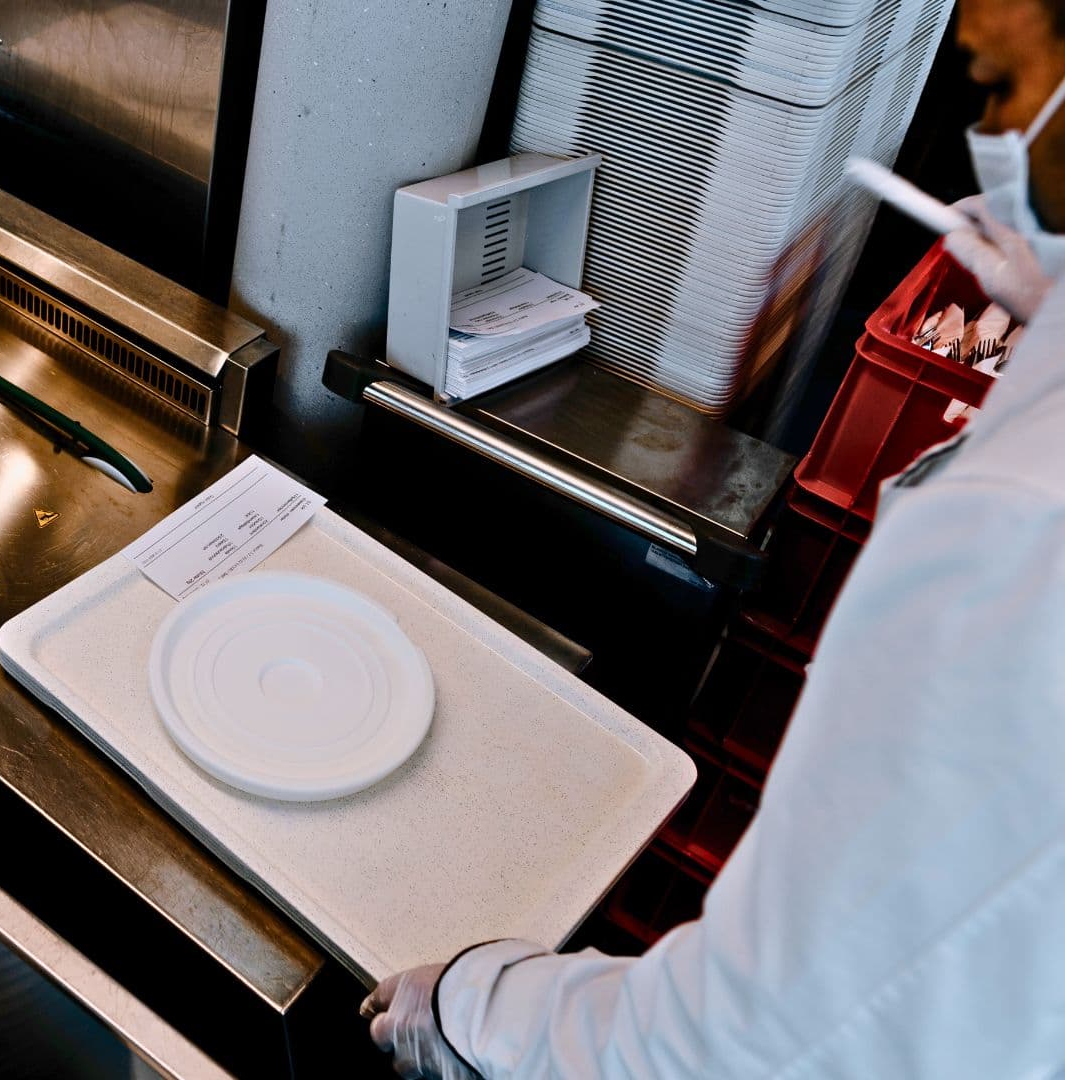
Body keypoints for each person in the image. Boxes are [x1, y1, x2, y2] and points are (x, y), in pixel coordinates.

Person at [363, 0, 1065, 1075]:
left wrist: (471, 1009)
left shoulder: (1015, 532)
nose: (995, 135)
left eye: (1004, 94)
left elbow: (748, 1034)